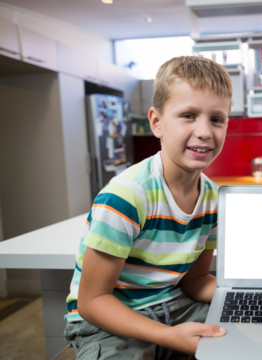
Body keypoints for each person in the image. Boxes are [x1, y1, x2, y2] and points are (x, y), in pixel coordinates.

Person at [63, 56, 232, 359]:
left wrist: (245, 293)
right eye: (189, 115)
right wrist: (169, 337)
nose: (205, 131)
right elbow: (92, 301)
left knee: (251, 339)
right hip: (108, 321)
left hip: (178, 305)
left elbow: (194, 282)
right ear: (156, 123)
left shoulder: (213, 199)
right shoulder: (129, 195)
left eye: (216, 119)